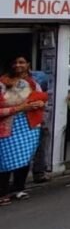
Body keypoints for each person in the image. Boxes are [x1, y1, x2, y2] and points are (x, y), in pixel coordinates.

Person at [0, 56, 48, 205]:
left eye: (21, 62)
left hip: (28, 125)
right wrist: (21, 108)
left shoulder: (34, 82)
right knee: (5, 159)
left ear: (28, 64)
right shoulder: (2, 83)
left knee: (25, 157)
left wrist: (40, 103)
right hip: (7, 125)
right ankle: (2, 192)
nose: (18, 65)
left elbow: (41, 99)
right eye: (15, 62)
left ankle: (19, 188)